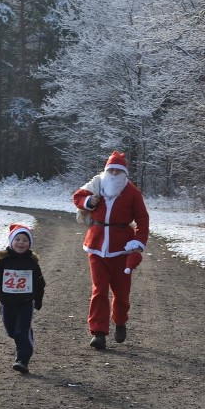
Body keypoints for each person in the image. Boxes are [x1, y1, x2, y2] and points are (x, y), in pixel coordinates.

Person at [72, 150, 149, 350]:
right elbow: (78, 197)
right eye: (111, 170)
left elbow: (142, 219)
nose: (114, 174)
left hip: (122, 249)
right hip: (96, 246)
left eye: (118, 170)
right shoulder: (97, 184)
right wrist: (88, 202)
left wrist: (139, 242)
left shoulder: (132, 192)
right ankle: (98, 332)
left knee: (121, 294)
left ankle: (120, 321)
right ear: (106, 170)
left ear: (124, 173)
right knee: (99, 289)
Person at [0, 224, 46, 373]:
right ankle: (25, 336)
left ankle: (22, 360)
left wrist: (38, 300)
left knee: (21, 332)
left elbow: (39, 283)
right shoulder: (3, 261)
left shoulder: (32, 263)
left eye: (25, 240)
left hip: (25, 303)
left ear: (29, 244)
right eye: (17, 239)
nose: (21, 243)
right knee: (11, 331)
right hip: (7, 303)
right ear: (11, 241)